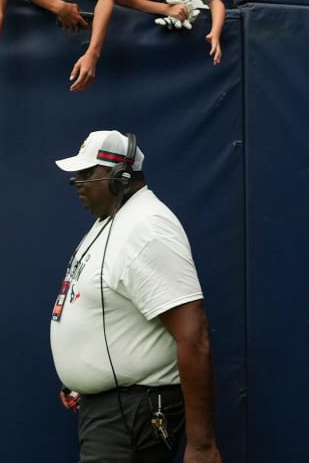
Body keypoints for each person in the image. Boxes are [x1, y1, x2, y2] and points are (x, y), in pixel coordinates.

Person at [51, 131, 221, 463]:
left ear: (120, 178)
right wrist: (82, 377)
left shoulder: (147, 228)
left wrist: (201, 446)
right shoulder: (112, 221)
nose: (78, 184)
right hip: (110, 411)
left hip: (131, 414)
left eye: (88, 175)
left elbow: (194, 333)